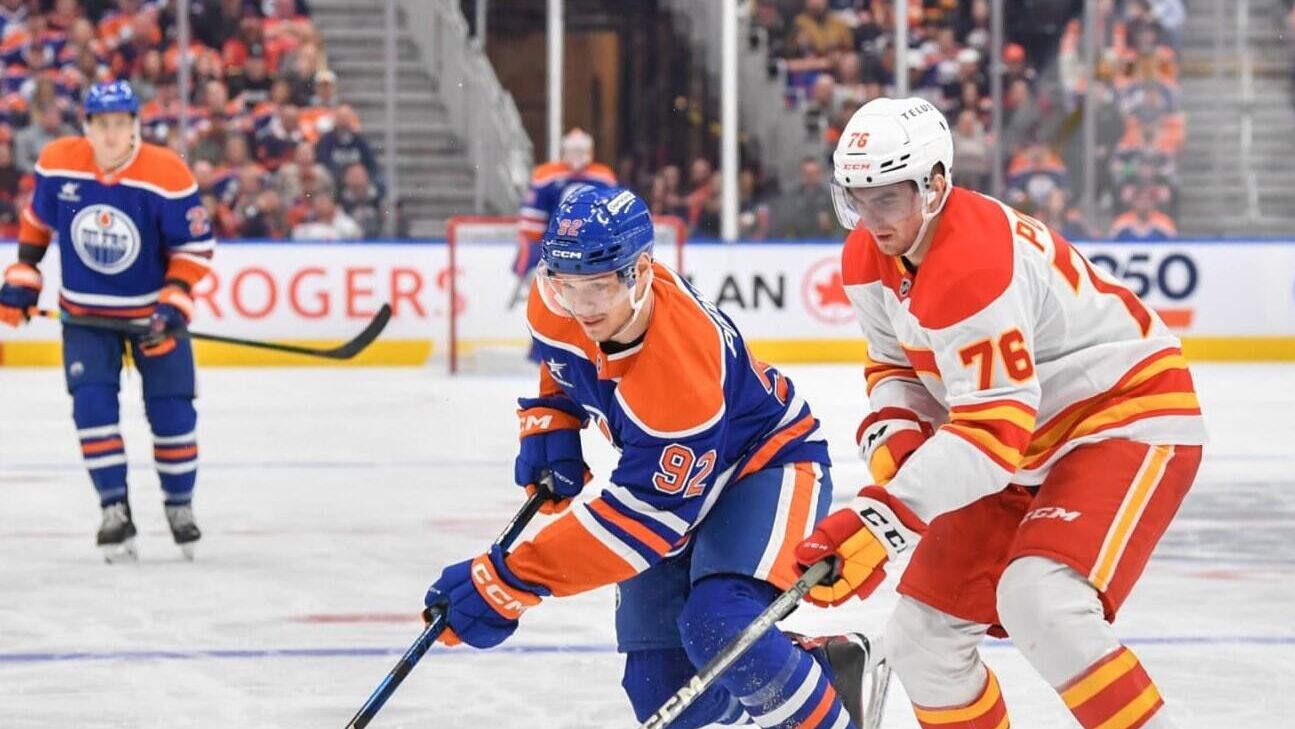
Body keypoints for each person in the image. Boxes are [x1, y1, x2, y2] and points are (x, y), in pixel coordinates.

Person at [794, 97, 1207, 728]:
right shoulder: (867, 256)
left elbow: (991, 435)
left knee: (1042, 601)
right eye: (857, 199)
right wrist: (900, 439)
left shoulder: (973, 262)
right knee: (921, 644)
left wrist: (883, 519)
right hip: (1022, 445)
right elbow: (894, 364)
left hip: (1120, 415)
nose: (871, 220)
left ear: (936, 185)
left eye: (888, 199)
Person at [424, 186, 873, 728]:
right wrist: (552, 416)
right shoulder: (553, 302)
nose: (581, 307)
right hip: (677, 478)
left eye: (597, 287)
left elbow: (639, 525)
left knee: (721, 625)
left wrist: (511, 581)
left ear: (640, 271)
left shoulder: (678, 370)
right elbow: (563, 359)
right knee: (661, 693)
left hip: (763, 466)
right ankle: (816, 670)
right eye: (566, 285)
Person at [0, 80, 215, 562]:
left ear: (135, 126)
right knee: (92, 409)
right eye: (102, 124)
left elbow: (194, 249)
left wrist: (172, 304)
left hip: (152, 318)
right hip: (85, 317)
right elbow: (37, 220)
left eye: (121, 123)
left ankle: (179, 505)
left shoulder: (167, 173)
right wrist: (25, 273)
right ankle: (114, 508)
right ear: (87, 127)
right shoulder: (59, 161)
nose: (112, 134)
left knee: (173, 414)